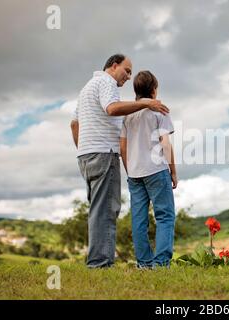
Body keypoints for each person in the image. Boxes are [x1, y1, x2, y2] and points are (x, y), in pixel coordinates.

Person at [70, 54, 169, 269]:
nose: (128, 77)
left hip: (86, 155)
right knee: (107, 209)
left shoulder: (86, 88)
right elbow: (112, 109)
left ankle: (98, 261)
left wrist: (84, 148)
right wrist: (147, 103)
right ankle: (101, 264)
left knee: (97, 209)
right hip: (104, 153)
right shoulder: (107, 83)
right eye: (126, 70)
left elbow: (74, 125)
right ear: (114, 66)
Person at [120, 70, 177, 269]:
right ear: (153, 90)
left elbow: (123, 147)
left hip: (135, 173)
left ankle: (143, 263)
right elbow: (166, 144)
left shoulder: (128, 115)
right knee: (165, 216)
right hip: (156, 170)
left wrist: (130, 171)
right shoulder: (159, 111)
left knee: (139, 219)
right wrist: (173, 171)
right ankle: (161, 264)